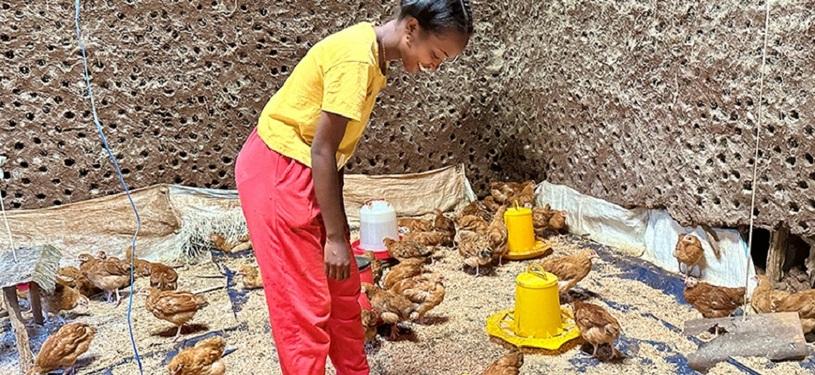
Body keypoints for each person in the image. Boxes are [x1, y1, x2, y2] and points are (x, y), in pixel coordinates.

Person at [235, 1, 473, 373]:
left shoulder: (371, 55)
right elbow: (322, 149)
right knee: (305, 307)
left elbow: (335, 153)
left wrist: (339, 228)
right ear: (411, 28)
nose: (435, 65)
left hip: (308, 170)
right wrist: (332, 238)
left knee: (343, 292)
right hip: (279, 170)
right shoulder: (356, 61)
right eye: (437, 53)